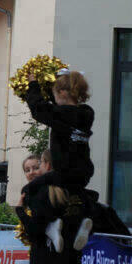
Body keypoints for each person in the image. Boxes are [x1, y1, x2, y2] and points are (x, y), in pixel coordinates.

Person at [24, 69, 95, 252]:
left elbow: (38, 109)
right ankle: (83, 222)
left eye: (55, 94)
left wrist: (33, 85)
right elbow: (55, 108)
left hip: (64, 170)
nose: (53, 99)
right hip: (84, 171)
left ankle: (51, 224)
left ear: (62, 93)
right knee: (76, 196)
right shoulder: (87, 113)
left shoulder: (61, 114)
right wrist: (54, 83)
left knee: (30, 191)